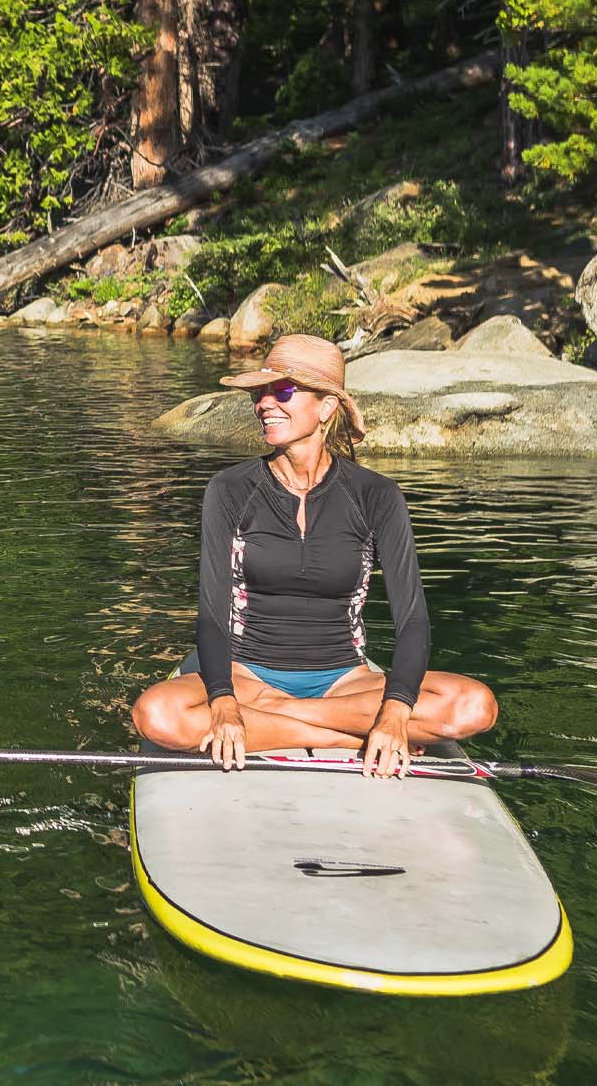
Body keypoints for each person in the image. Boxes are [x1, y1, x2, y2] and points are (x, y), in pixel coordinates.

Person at [131, 333, 497, 776]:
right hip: (248, 681)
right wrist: (224, 701)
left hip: (347, 684)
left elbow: (413, 620)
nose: (265, 403)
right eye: (259, 394)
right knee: (156, 715)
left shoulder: (376, 495)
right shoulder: (229, 489)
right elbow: (211, 615)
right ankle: (337, 737)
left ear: (326, 408)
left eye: (282, 391)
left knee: (475, 706)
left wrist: (396, 710)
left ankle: (278, 725)